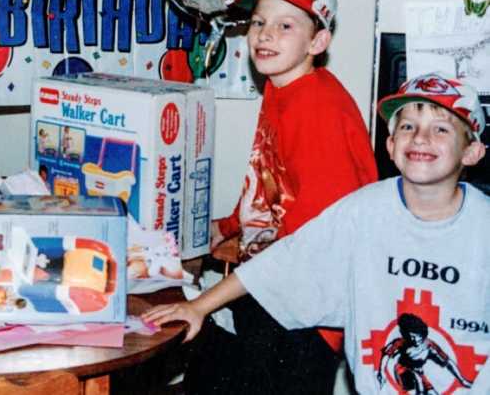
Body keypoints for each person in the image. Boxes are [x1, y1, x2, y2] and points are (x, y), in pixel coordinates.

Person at [144, 72, 489, 395]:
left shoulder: (482, 227)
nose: (420, 137)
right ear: (390, 145)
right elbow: (283, 260)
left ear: (472, 152)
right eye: (409, 126)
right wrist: (199, 307)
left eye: (441, 129)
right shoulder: (364, 211)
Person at [183, 0, 379, 394]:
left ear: (317, 42)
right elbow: (268, 184)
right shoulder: (282, 87)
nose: (265, 35)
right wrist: (227, 227)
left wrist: (208, 301)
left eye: (285, 25)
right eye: (258, 23)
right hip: (274, 283)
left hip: (305, 309)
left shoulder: (318, 110)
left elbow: (314, 241)